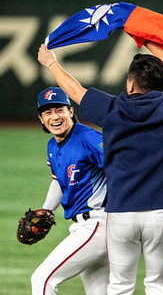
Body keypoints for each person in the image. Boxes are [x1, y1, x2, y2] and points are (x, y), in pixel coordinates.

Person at [38, 41, 163, 294]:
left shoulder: (112, 109)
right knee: (158, 286)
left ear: (130, 84)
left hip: (122, 213)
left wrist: (51, 63)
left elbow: (75, 92)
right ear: (161, 84)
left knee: (120, 286)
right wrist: (148, 38)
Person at [31, 87, 109, 295]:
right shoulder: (52, 145)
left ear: (70, 111)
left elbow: (120, 167)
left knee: (42, 279)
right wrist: (47, 211)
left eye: (59, 110)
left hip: (98, 225)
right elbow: (58, 181)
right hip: (88, 227)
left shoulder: (89, 138)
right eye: (48, 112)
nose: (54, 117)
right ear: (41, 118)